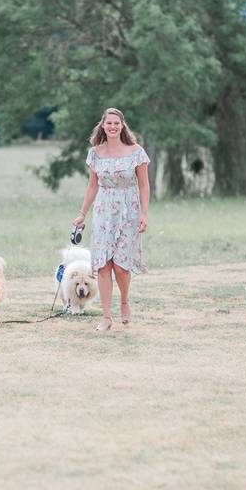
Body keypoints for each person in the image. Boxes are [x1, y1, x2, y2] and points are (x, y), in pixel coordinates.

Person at [72, 107, 150, 331]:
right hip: (104, 210)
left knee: (121, 265)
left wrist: (144, 214)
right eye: (109, 123)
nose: (113, 127)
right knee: (103, 265)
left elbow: (144, 185)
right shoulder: (95, 153)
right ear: (103, 126)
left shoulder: (136, 152)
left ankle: (125, 301)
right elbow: (92, 186)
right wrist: (82, 214)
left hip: (129, 209)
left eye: (117, 123)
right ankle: (106, 317)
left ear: (122, 125)